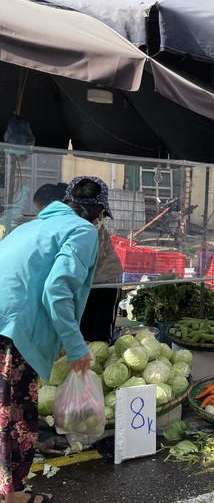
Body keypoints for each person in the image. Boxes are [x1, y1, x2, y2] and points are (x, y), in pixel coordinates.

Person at [0, 176, 110, 503]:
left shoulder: (31, 226)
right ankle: (12, 494)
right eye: (102, 217)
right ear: (97, 214)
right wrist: (76, 346)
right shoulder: (82, 230)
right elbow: (57, 290)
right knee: (15, 413)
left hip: (5, 322)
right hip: (12, 329)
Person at [33, 179, 123, 343]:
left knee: (99, 333)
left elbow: (98, 255)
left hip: (105, 279)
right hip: (82, 280)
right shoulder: (61, 224)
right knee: (80, 325)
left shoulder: (90, 228)